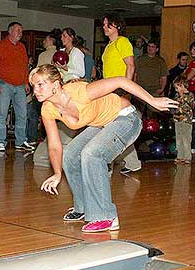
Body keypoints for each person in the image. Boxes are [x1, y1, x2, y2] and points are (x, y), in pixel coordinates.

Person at [29, 64, 177, 232]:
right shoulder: (48, 109)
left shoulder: (80, 92)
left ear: (55, 85)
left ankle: (106, 216)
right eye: (34, 86)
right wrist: (57, 173)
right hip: (101, 124)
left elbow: (121, 81)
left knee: (91, 154)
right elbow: (55, 146)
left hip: (126, 119)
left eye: (40, 84)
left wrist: (152, 101)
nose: (36, 90)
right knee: (70, 155)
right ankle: (83, 207)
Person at [101, 12, 140, 175]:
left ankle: (106, 164)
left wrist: (126, 88)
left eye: (106, 24)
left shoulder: (122, 42)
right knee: (114, 126)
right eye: (103, 24)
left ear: (115, 25)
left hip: (118, 89)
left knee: (111, 126)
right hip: (108, 89)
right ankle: (133, 162)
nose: (103, 26)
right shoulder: (110, 45)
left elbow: (130, 66)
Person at [0, 21, 35, 154]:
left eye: (21, 31)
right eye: (17, 30)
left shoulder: (22, 47)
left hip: (20, 86)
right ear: (10, 31)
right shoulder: (0, 46)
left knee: (22, 114)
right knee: (2, 114)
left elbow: (25, 66)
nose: (20, 33)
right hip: (4, 84)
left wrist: (26, 82)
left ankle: (21, 141)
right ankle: (1, 142)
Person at [173, 74, 195, 164]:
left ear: (182, 86)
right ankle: (180, 156)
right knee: (179, 138)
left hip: (186, 120)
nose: (176, 90)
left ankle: (187, 157)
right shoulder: (176, 95)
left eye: (177, 87)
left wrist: (183, 97)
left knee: (186, 138)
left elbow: (191, 106)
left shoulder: (190, 95)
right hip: (177, 120)